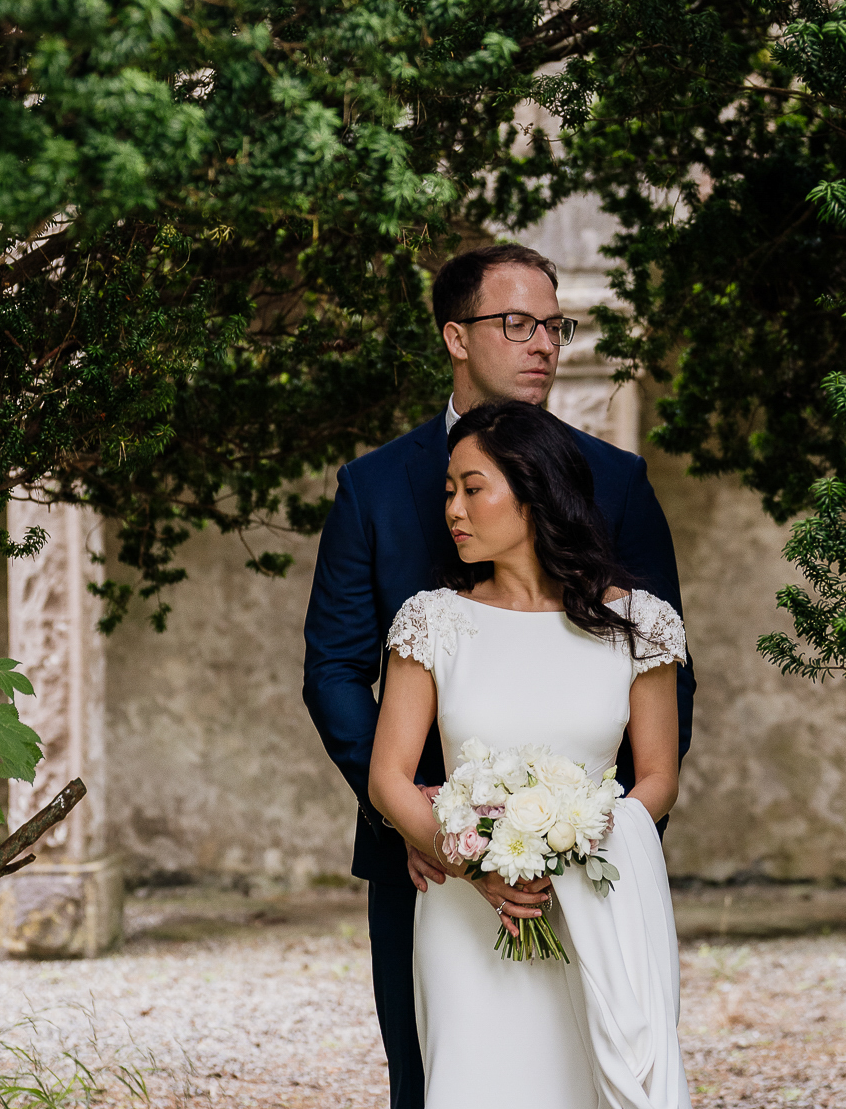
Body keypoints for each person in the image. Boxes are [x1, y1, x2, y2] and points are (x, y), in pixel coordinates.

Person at [301, 244, 695, 1109]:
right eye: (517, 324)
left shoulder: (618, 481)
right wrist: (437, 822)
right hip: (425, 862)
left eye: (554, 326)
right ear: (455, 336)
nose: (543, 344)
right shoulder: (374, 487)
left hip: (586, 864)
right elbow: (332, 669)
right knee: (438, 1079)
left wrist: (584, 842)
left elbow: (662, 677)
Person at [369, 400, 692, 1109]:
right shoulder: (432, 621)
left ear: (534, 488)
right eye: (448, 490)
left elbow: (659, 776)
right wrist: (477, 864)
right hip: (463, 919)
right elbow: (389, 778)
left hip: (596, 910)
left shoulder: (641, 626)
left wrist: (582, 847)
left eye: (472, 487)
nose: (453, 507)